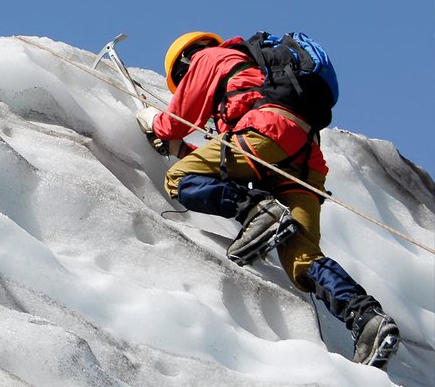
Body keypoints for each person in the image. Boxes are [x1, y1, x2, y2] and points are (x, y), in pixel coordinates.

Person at [136, 31, 401, 369]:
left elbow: (175, 124)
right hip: (303, 159)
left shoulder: (209, 58)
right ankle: (367, 319)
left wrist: (155, 125)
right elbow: (230, 162)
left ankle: (259, 214)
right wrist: (184, 150)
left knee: (178, 179)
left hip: (267, 133)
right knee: (301, 258)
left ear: (185, 61)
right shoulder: (257, 75)